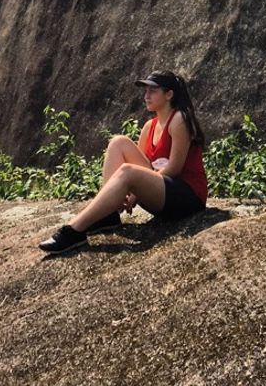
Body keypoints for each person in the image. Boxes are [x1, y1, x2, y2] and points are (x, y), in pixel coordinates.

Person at [38, 70, 208, 254]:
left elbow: (174, 168)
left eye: (153, 91)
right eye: (145, 91)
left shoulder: (179, 119)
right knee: (118, 142)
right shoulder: (149, 126)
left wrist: (135, 191)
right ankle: (109, 214)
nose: (146, 96)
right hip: (163, 193)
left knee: (128, 171)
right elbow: (143, 168)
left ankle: (73, 231)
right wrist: (134, 188)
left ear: (169, 94)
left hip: (187, 198)